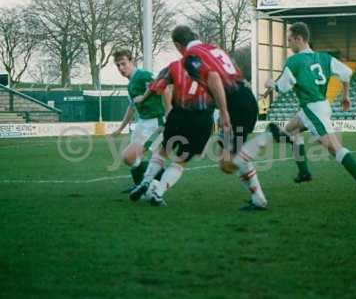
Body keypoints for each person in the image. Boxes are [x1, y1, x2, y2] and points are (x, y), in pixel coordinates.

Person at [264, 22, 356, 202]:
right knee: (289, 132)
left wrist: (270, 84)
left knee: (333, 147)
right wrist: (345, 96)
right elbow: (346, 73)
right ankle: (304, 172)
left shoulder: (295, 61)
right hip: (318, 106)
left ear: (299, 39)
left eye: (289, 40)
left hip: (313, 109)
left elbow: (282, 87)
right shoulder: (324, 57)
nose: (288, 44)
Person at [171, 25, 272, 210]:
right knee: (227, 156)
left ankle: (270, 136)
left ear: (178, 45)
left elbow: (214, 78)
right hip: (245, 97)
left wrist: (224, 112)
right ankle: (259, 199)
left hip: (235, 105)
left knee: (229, 162)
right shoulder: (214, 48)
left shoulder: (190, 57)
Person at [129, 60, 215, 206]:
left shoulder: (176, 65)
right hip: (201, 118)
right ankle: (158, 193)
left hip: (179, 113)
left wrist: (143, 99)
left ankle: (145, 182)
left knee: (163, 151)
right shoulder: (212, 68)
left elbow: (157, 86)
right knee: (181, 161)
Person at [111, 49, 165, 192]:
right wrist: (120, 128)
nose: (121, 68)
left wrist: (144, 97)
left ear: (132, 61)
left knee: (128, 157)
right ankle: (140, 185)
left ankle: (159, 174)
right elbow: (132, 107)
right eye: (118, 66)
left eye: (123, 64)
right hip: (142, 123)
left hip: (155, 123)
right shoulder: (130, 85)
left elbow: (161, 83)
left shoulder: (143, 75)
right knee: (132, 159)